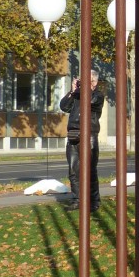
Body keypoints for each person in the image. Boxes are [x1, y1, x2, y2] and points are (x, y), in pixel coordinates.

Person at [60, 70, 105, 211]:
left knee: (90, 169)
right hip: (73, 134)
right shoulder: (76, 95)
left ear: (94, 82)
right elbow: (64, 106)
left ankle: (94, 201)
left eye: (88, 81)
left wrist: (84, 89)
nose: (83, 84)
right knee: (73, 170)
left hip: (89, 135)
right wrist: (72, 91)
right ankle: (77, 199)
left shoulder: (98, 95)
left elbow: (91, 101)